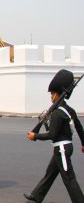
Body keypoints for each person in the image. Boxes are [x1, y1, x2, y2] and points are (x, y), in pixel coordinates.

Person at [25, 69, 84, 203]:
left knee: (69, 178)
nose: (51, 96)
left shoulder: (57, 113)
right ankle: (37, 195)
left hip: (61, 149)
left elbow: (52, 134)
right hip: (63, 148)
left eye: (52, 94)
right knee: (50, 173)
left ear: (57, 95)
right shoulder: (69, 110)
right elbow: (80, 128)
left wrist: (35, 136)